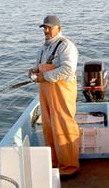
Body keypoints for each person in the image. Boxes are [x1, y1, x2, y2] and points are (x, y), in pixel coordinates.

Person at [28, 15, 80, 181]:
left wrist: (44, 77)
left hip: (62, 91)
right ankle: (55, 162)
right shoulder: (43, 47)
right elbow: (40, 65)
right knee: (49, 127)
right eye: (44, 28)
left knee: (64, 127)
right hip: (45, 91)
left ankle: (70, 166)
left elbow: (68, 70)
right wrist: (34, 71)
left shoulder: (66, 46)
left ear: (59, 28)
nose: (46, 31)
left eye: (49, 27)